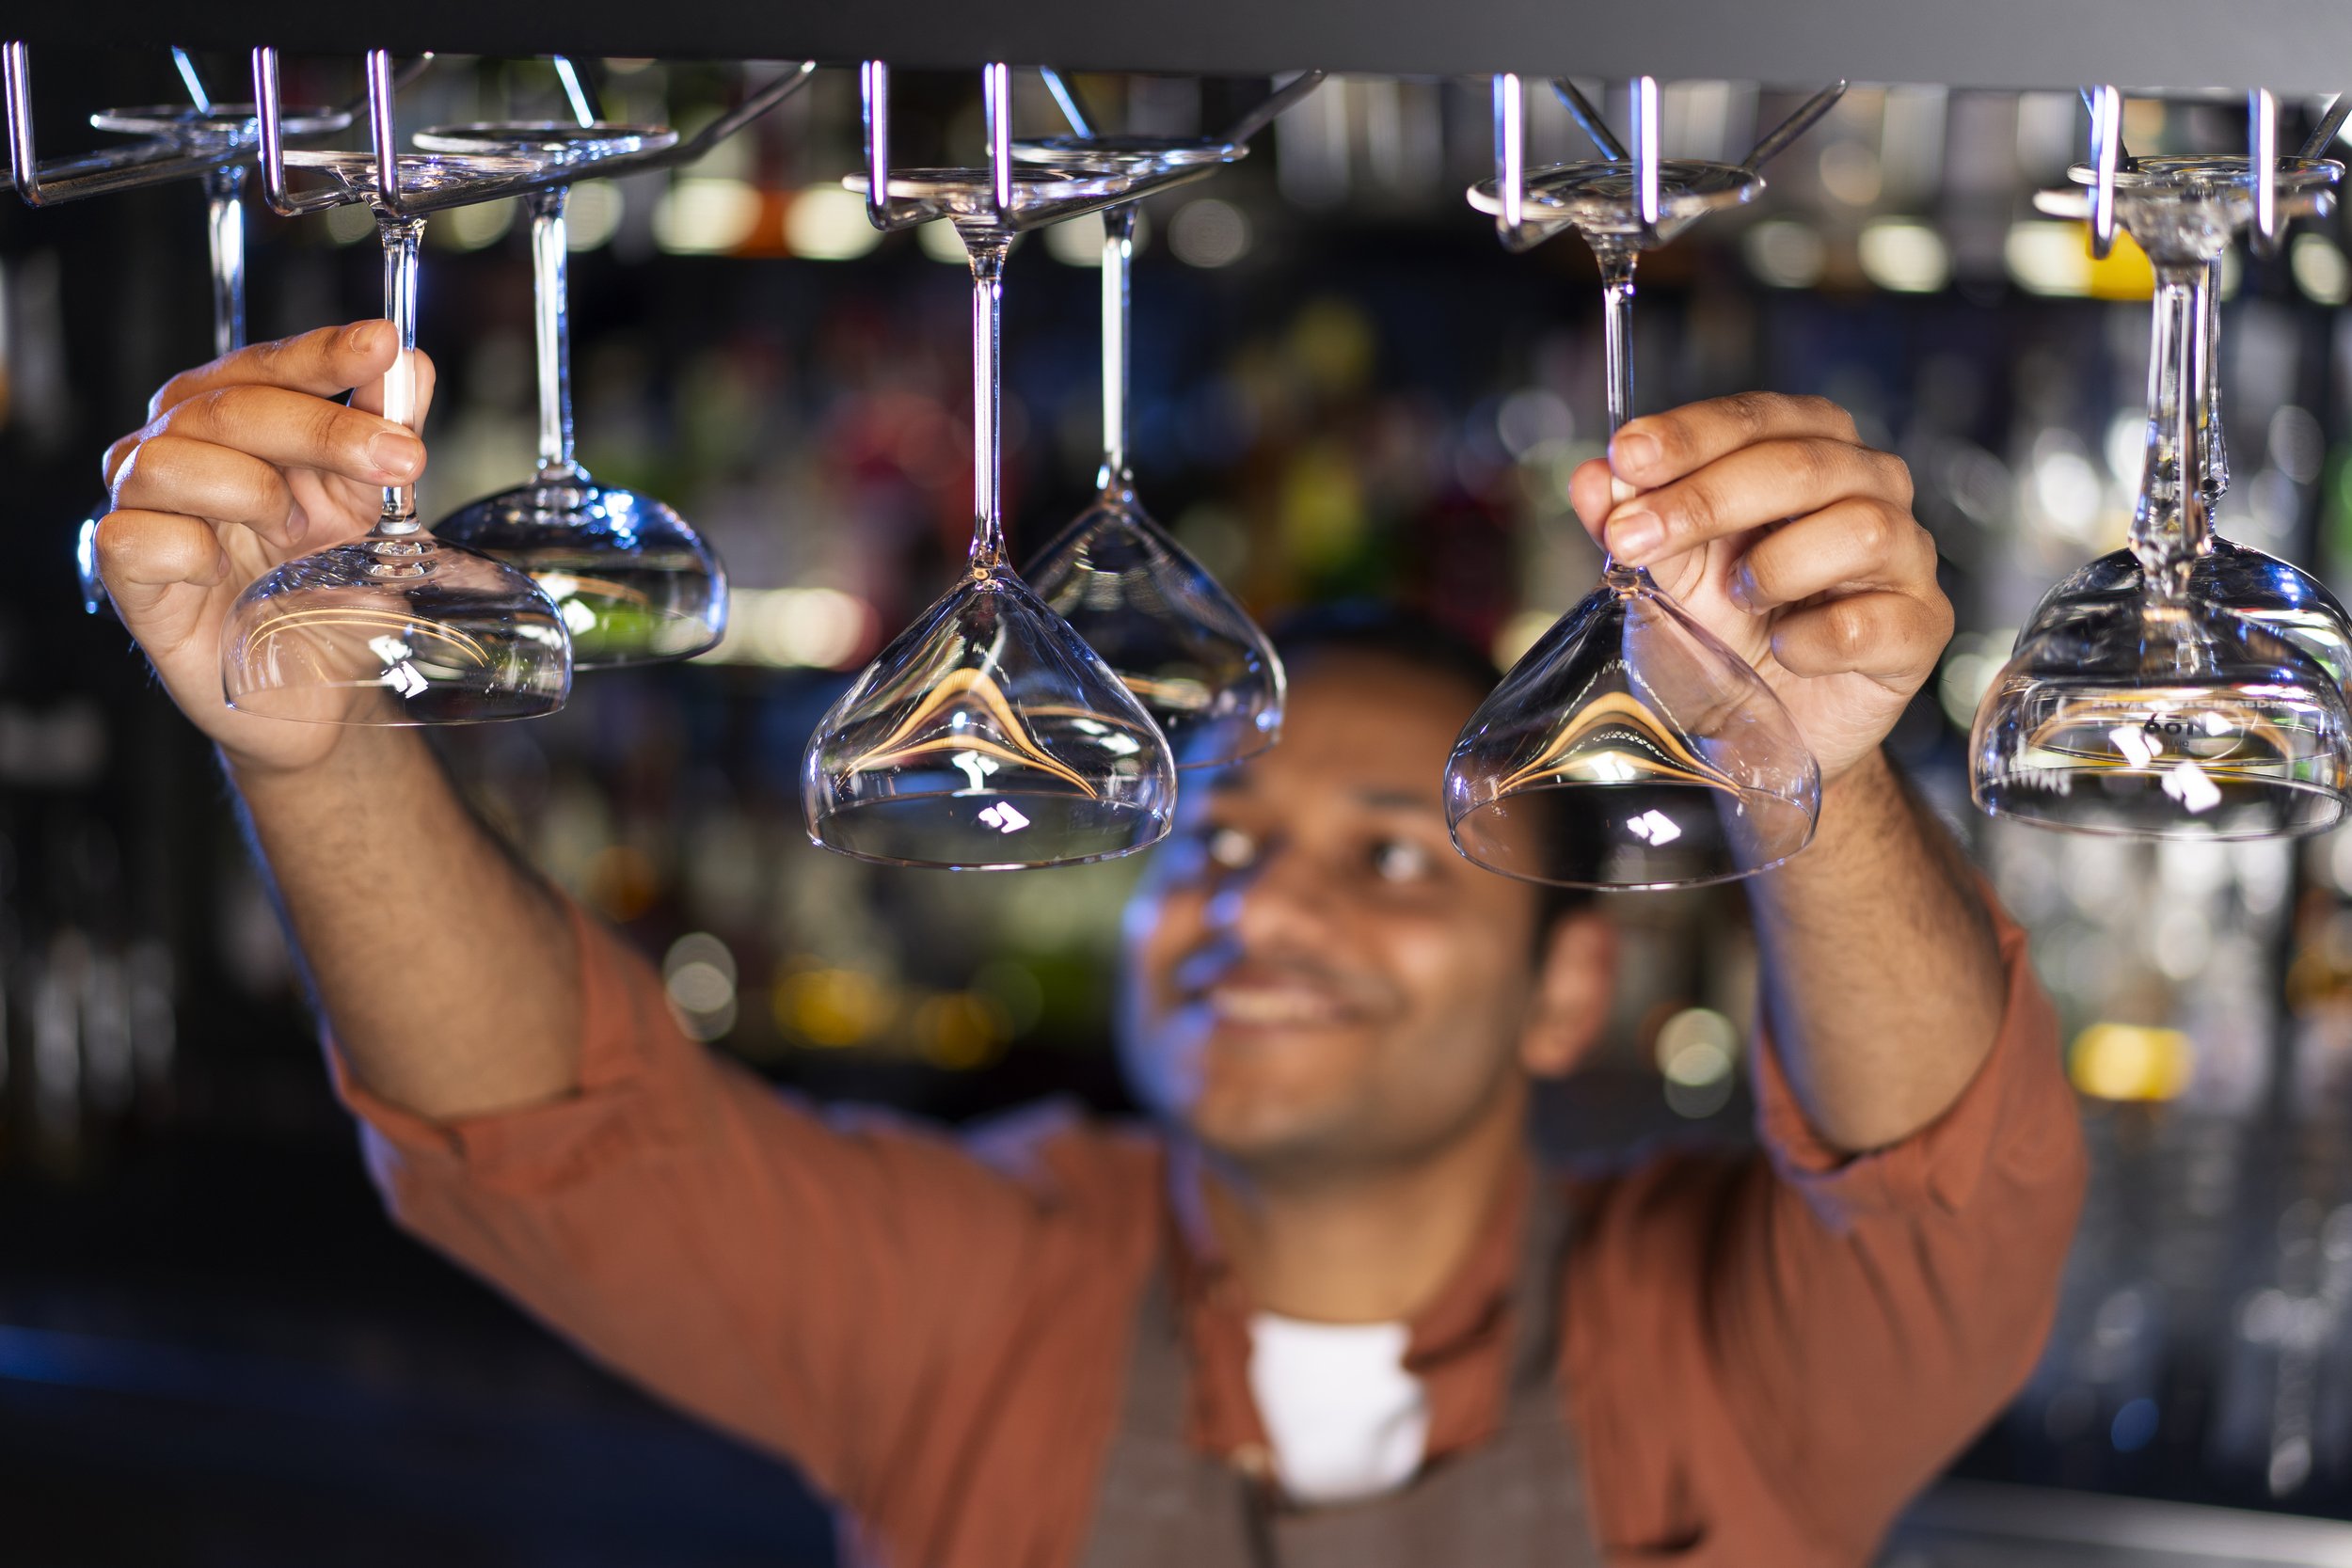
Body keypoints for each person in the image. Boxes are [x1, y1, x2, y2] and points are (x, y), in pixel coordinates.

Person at [95, 320, 2087, 1568]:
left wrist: (1797, 775)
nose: (1264, 904)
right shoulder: (987, 1282)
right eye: (1213, 842)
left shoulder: (1721, 1349)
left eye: (1392, 865)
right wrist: (312, 747)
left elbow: (1939, 1199)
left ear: (1570, 982)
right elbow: (550, 1140)